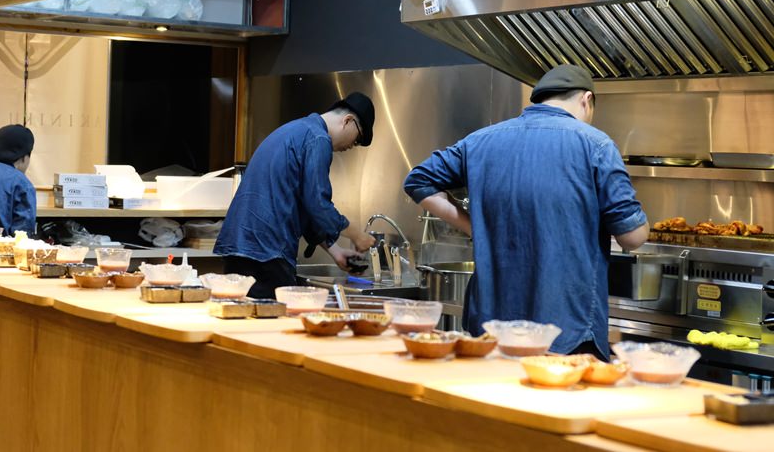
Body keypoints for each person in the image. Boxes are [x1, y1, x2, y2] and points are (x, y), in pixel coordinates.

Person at [404, 65, 648, 360]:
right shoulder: (595, 144)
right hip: (567, 332)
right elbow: (633, 237)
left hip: (491, 332)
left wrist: (475, 227)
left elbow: (418, 180)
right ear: (586, 100)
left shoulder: (480, 141)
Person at [215, 92, 379, 299]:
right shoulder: (318, 139)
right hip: (267, 250)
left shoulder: (296, 130)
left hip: (241, 246)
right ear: (348, 121)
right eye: (358, 139)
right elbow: (318, 203)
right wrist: (356, 234)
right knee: (272, 324)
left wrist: (335, 251)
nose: (351, 147)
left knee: (243, 322)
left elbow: (304, 203)